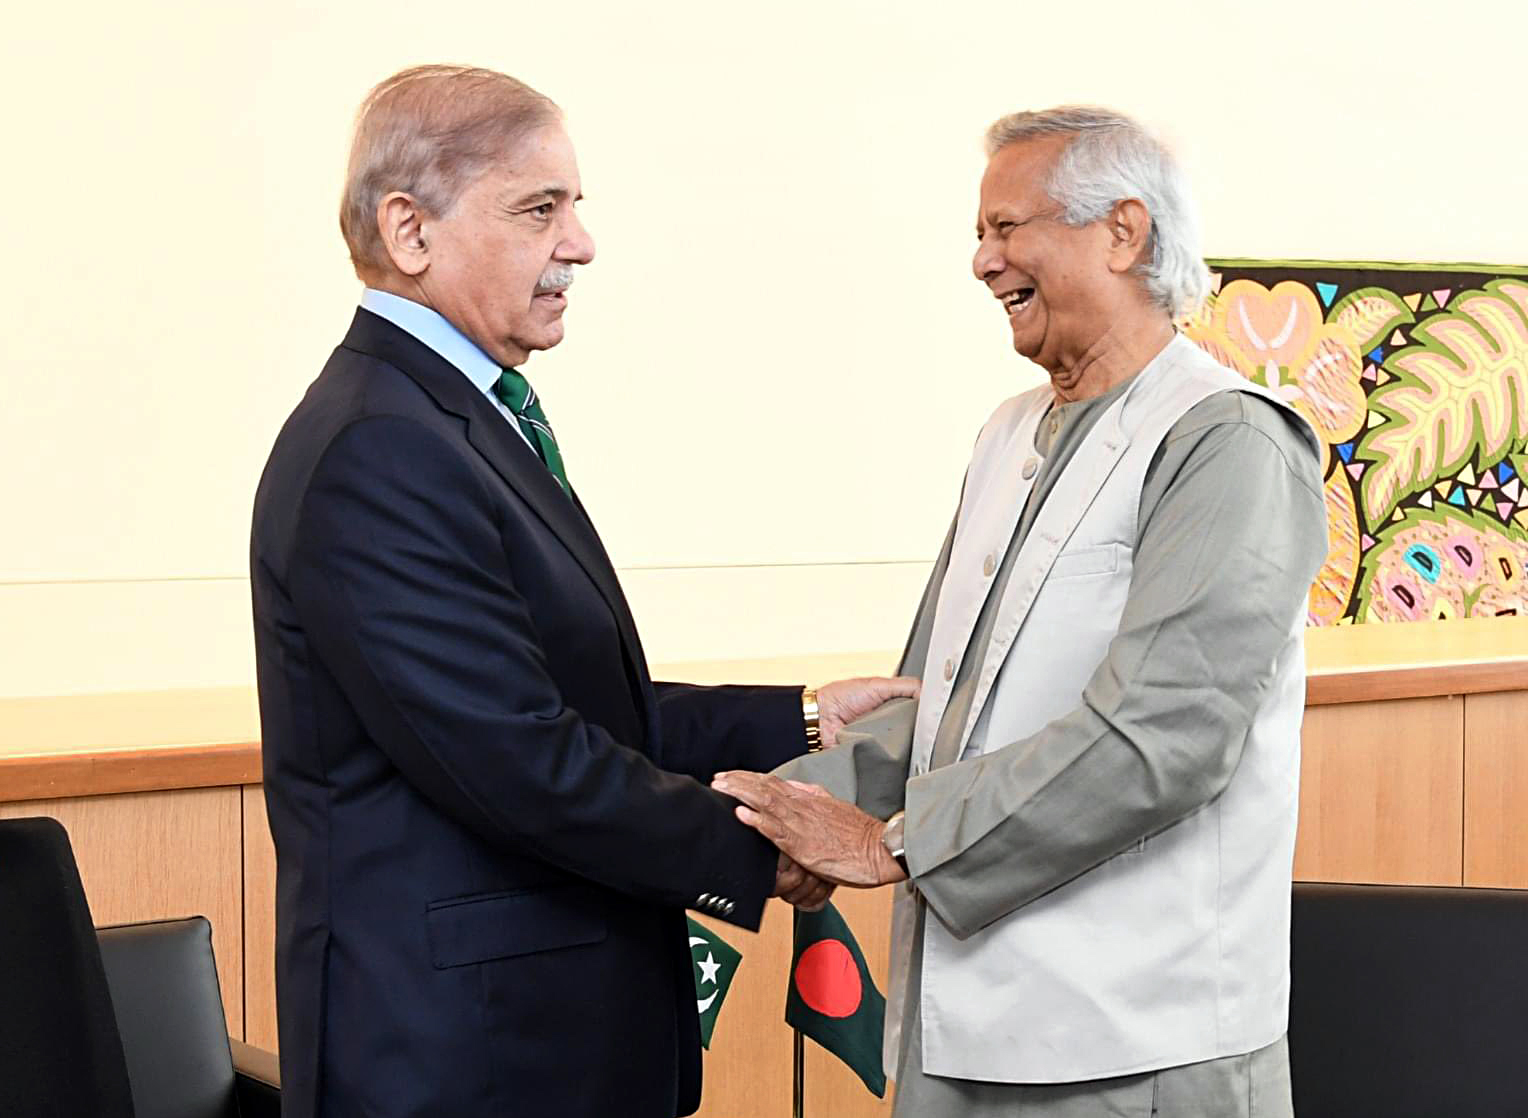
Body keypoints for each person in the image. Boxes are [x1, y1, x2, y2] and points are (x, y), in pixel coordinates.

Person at [249, 64, 914, 1118]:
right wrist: (760, 847)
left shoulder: (448, 417)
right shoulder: (380, 446)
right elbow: (521, 761)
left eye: (575, 208)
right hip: (467, 1060)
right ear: (409, 230)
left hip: (529, 1041)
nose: (580, 244)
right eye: (538, 209)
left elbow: (567, 702)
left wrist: (794, 715)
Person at [714, 105, 1328, 1117]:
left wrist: (892, 843)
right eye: (979, 233)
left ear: (1122, 231)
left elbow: (1162, 736)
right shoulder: (1006, 434)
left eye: (1007, 228)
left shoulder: (1229, 443)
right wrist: (778, 809)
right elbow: (936, 703)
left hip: (1134, 1045)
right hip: (962, 1026)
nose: (981, 261)